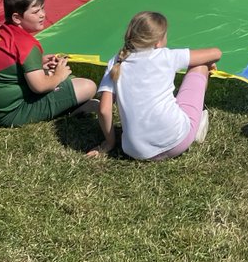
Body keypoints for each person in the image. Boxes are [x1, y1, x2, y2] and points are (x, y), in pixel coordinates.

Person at [92, 10, 221, 160]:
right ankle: (195, 126)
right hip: (177, 141)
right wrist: (208, 63)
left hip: (136, 151)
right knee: (200, 65)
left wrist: (109, 143)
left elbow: (104, 110)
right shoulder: (166, 56)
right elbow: (216, 53)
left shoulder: (116, 62)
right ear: (158, 41)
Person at [0, 0, 97, 127]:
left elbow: (8, 66)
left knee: (53, 74)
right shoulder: (26, 43)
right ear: (17, 18)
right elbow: (39, 87)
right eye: (36, 12)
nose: (42, 14)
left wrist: (39, 62)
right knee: (88, 86)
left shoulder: (3, 32)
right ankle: (72, 110)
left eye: (42, 8)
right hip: (9, 113)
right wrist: (59, 76)